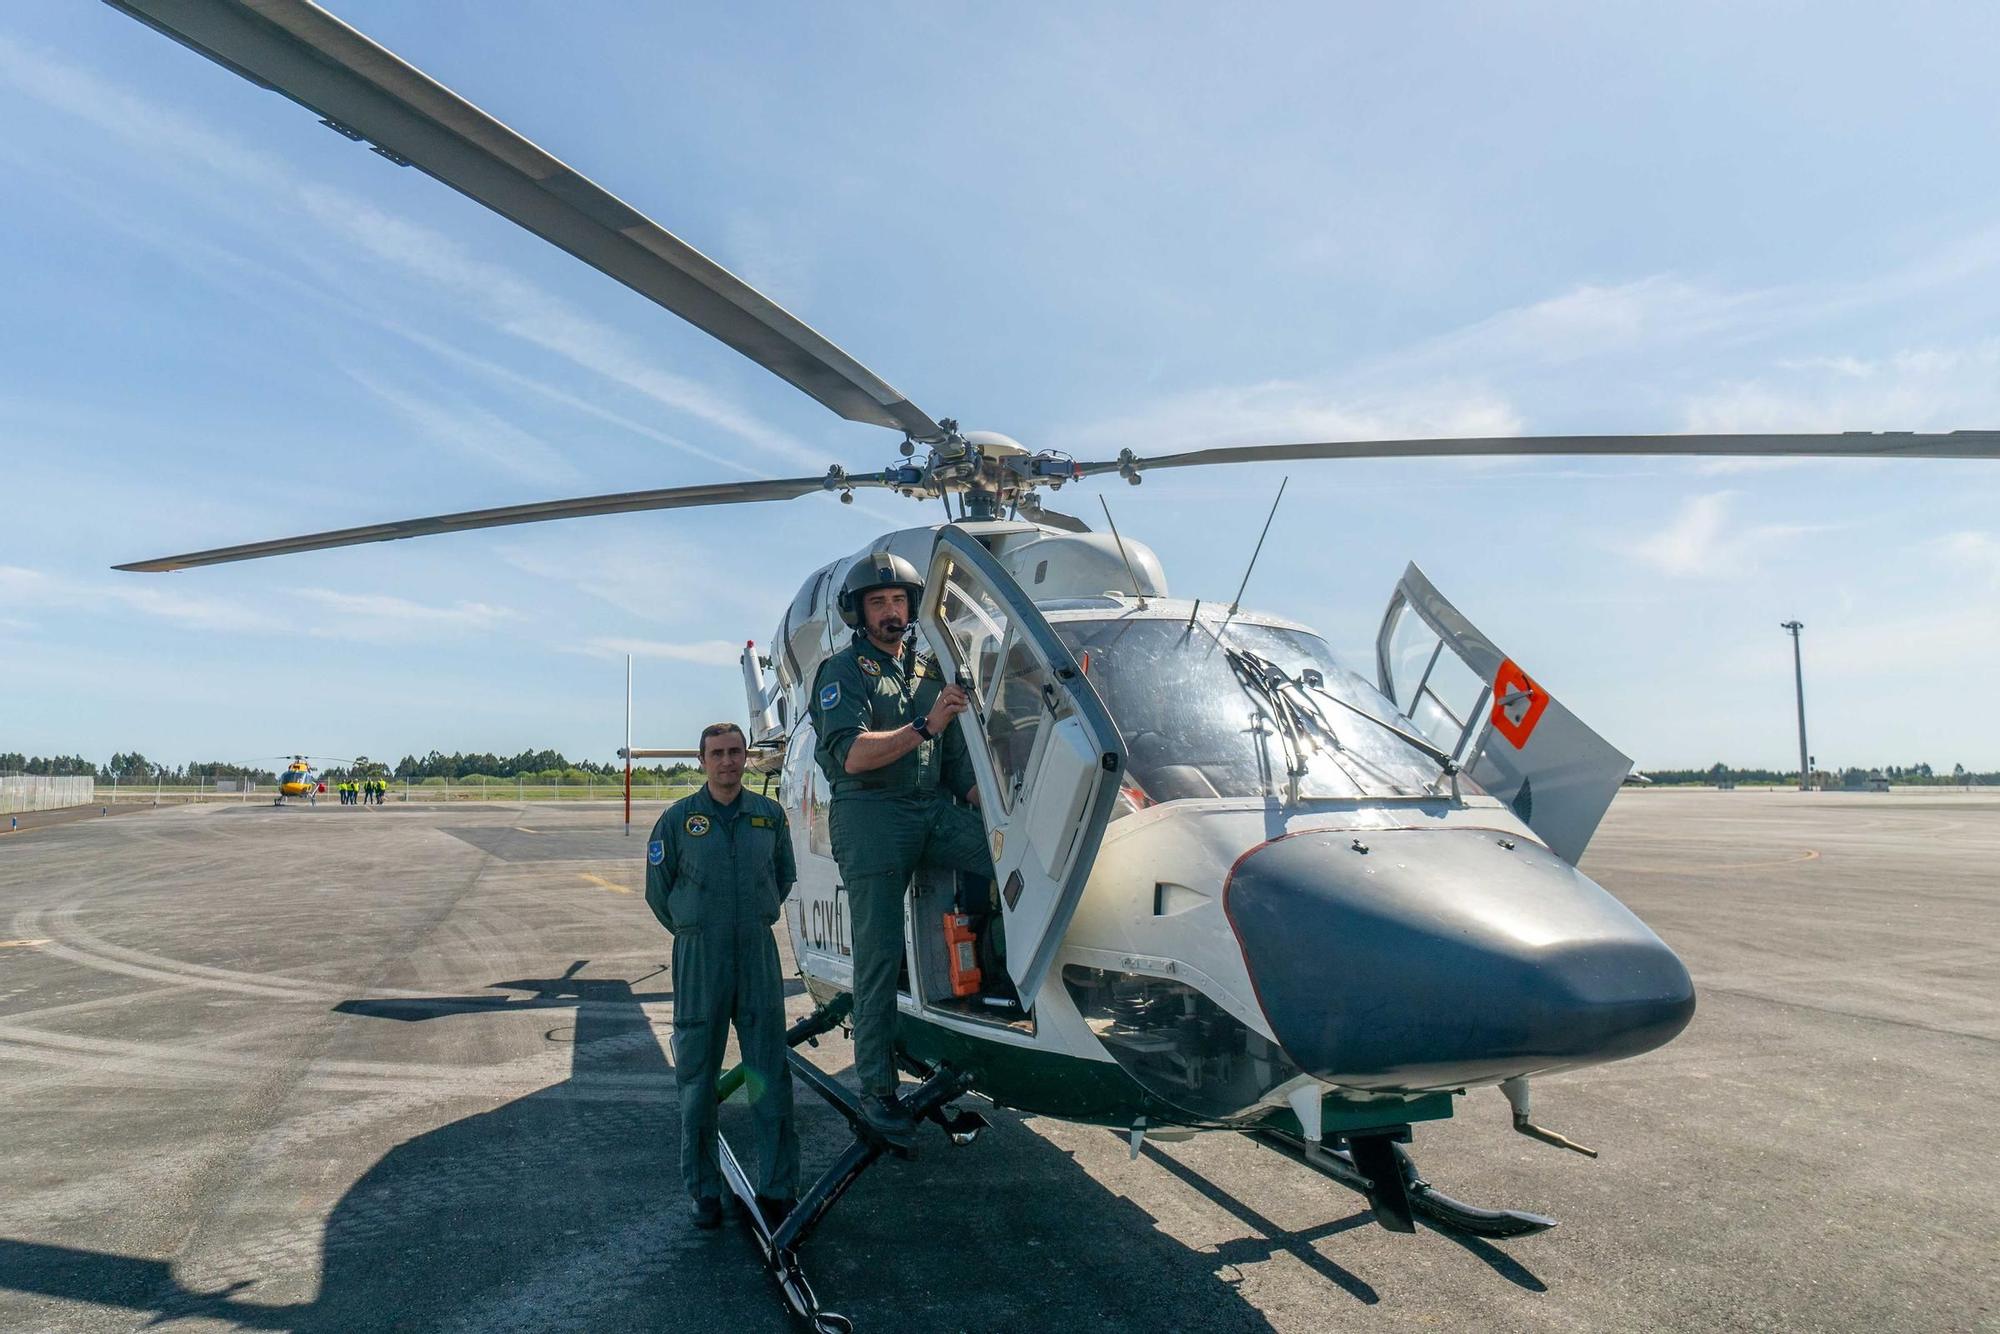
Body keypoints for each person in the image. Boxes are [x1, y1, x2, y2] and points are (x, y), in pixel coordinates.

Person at [809, 551, 991, 1141]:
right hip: (872, 817)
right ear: (859, 612)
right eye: (878, 602)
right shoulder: (843, 671)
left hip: (931, 809)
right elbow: (853, 755)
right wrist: (925, 725)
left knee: (1012, 864)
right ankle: (878, 1089)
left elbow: (957, 764)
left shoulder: (928, 669)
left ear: (913, 606)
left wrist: (999, 814)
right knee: (880, 955)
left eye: (898, 601)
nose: (890, 611)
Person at [645, 722, 800, 1231]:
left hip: (757, 954)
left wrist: (753, 916)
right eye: (717, 753)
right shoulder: (677, 820)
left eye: (735, 752)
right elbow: (658, 891)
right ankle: (704, 1190)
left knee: (768, 1073)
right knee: (697, 1078)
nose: (727, 761)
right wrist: (694, 928)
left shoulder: (769, 817)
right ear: (702, 761)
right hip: (700, 959)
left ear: (746, 757)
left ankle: (777, 1188)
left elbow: (783, 876)